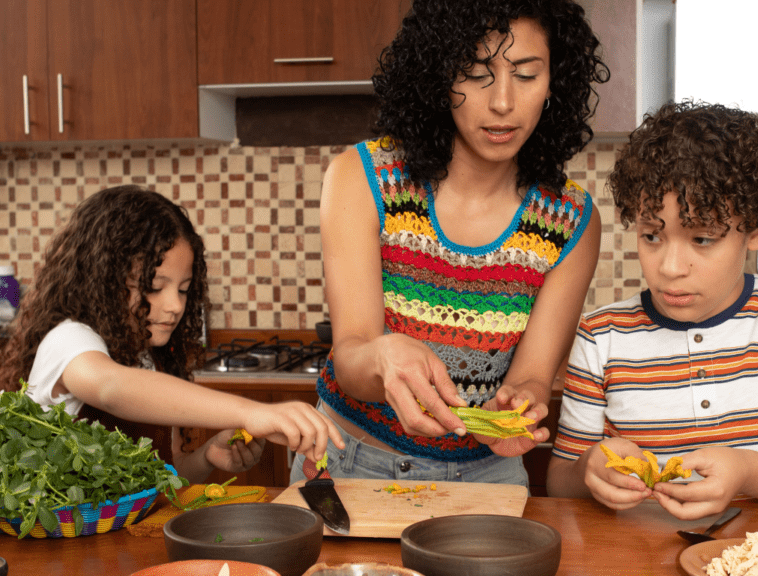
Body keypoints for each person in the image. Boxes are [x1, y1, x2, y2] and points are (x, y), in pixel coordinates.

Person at [291, 0, 608, 487]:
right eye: (476, 73)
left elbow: (532, 377)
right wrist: (382, 355)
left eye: (526, 75)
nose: (503, 102)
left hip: (488, 474)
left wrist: (517, 407)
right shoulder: (363, 178)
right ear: (438, 77)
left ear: (554, 84)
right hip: (348, 463)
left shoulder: (571, 220)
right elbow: (351, 359)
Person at [545, 101, 758, 519]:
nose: (669, 268)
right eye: (652, 236)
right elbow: (560, 481)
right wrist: (589, 471)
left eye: (702, 239)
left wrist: (749, 472)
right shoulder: (602, 335)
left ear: (757, 229)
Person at [0, 185, 344, 484]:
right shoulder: (69, 340)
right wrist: (251, 412)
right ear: (103, 280)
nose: (174, 306)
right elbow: (111, 387)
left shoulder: (150, 357)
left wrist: (207, 457)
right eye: (154, 286)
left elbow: (167, 480)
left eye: (183, 289)